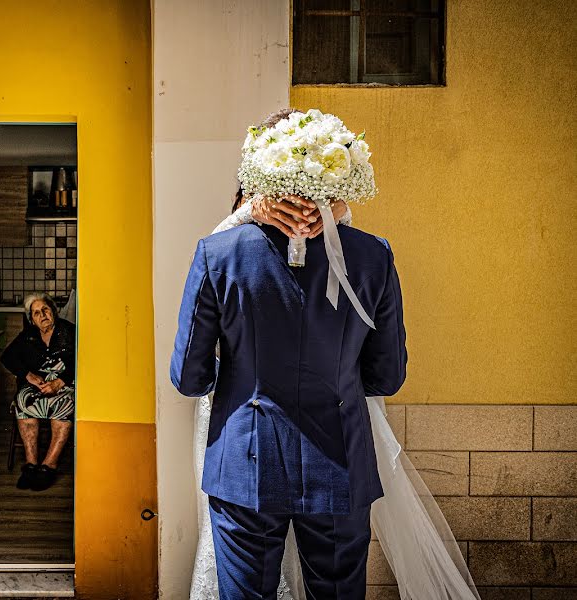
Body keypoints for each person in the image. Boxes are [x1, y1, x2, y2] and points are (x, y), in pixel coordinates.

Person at [180, 110, 480, 600]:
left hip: (246, 461)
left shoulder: (219, 253)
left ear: (262, 172)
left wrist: (241, 373)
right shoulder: (373, 255)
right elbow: (386, 376)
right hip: (340, 461)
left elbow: (189, 377)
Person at [1, 293, 75, 492]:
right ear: (31, 319)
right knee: (24, 400)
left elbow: (82, 360)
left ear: (53, 311)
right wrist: (28, 376)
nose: (42, 315)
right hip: (37, 386)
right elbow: (7, 357)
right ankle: (31, 465)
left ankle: (49, 465)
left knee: (65, 403)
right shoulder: (29, 335)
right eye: (36, 313)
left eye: (45, 309)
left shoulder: (69, 331)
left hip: (63, 385)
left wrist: (60, 382)